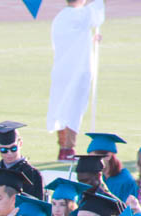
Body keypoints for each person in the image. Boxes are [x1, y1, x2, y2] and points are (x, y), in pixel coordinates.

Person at [47, 0, 106, 161]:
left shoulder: (61, 17)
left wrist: (90, 40)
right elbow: (97, 14)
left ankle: (64, 148)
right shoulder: (79, 15)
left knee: (63, 105)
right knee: (73, 108)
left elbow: (72, 41)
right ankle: (68, 148)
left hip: (63, 68)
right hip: (76, 70)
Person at [0, 122, 44, 200]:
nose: (9, 153)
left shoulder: (32, 174)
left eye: (13, 148)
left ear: (20, 144)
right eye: (4, 150)